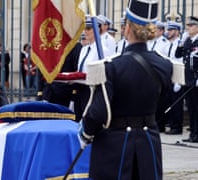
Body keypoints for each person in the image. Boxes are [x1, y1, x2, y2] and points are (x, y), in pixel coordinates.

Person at [77, 0, 172, 179]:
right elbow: (162, 102)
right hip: (149, 144)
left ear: (127, 27)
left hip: (115, 147)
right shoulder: (165, 65)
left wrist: (85, 133)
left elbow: (97, 113)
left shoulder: (112, 67)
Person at [175, 16, 198, 143]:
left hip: (197, 79)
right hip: (187, 79)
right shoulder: (187, 41)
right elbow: (177, 55)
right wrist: (181, 42)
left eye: (191, 26)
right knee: (190, 108)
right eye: (188, 26)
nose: (188, 28)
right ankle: (192, 134)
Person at [73, 15, 111, 122]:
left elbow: (105, 72)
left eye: (89, 28)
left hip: (92, 90)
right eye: (85, 28)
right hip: (80, 87)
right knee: (78, 118)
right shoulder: (84, 49)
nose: (85, 31)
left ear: (97, 28)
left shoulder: (102, 49)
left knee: (89, 120)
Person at [42, 42, 82, 107]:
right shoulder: (49, 45)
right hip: (48, 94)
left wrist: (73, 98)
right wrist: (41, 94)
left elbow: (76, 73)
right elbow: (43, 70)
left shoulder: (74, 46)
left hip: (65, 95)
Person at [164, 21, 185, 134]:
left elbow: (181, 62)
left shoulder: (180, 44)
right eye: (168, 30)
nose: (169, 32)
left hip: (177, 76)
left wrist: (179, 81)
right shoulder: (167, 44)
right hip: (168, 75)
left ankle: (177, 127)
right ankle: (171, 124)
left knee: (177, 103)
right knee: (169, 102)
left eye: (171, 30)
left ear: (177, 32)